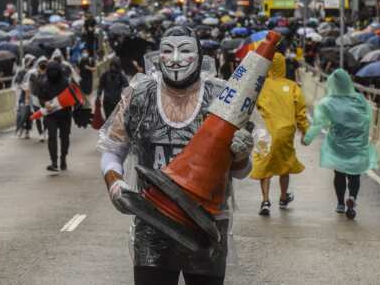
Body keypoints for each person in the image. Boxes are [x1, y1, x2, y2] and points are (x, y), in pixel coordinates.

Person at [98, 26, 254, 285]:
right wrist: (114, 182)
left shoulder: (223, 98)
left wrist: (241, 154)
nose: (176, 58)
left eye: (185, 50)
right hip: (152, 221)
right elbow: (112, 149)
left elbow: (240, 171)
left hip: (207, 226)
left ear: (200, 54)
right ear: (158, 54)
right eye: (168, 50)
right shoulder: (139, 95)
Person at [303, 69, 379, 220]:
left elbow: (318, 123)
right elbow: (368, 118)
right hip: (357, 143)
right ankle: (352, 197)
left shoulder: (328, 102)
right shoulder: (359, 99)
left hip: (338, 144)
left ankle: (340, 203)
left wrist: (307, 138)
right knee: (355, 173)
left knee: (339, 173)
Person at [250, 53, 309, 216]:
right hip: (285, 132)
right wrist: (305, 131)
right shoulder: (292, 86)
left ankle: (265, 200)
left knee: (264, 165)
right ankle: (283, 197)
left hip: (265, 132)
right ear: (283, 66)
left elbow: (250, 108)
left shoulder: (259, 85)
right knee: (285, 164)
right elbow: (301, 112)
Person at [36, 61, 73, 172]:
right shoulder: (44, 83)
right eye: (50, 71)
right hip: (50, 114)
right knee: (52, 137)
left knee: (64, 137)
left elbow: (72, 97)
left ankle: (63, 158)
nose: (52, 74)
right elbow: (40, 97)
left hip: (65, 114)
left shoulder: (66, 83)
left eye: (54, 71)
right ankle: (54, 162)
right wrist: (45, 103)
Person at [25, 56, 48, 142]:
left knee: (46, 115)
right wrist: (29, 97)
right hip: (35, 98)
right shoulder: (33, 75)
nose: (43, 65)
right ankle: (41, 134)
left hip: (45, 98)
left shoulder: (49, 74)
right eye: (42, 64)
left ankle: (44, 131)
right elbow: (29, 87)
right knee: (38, 116)